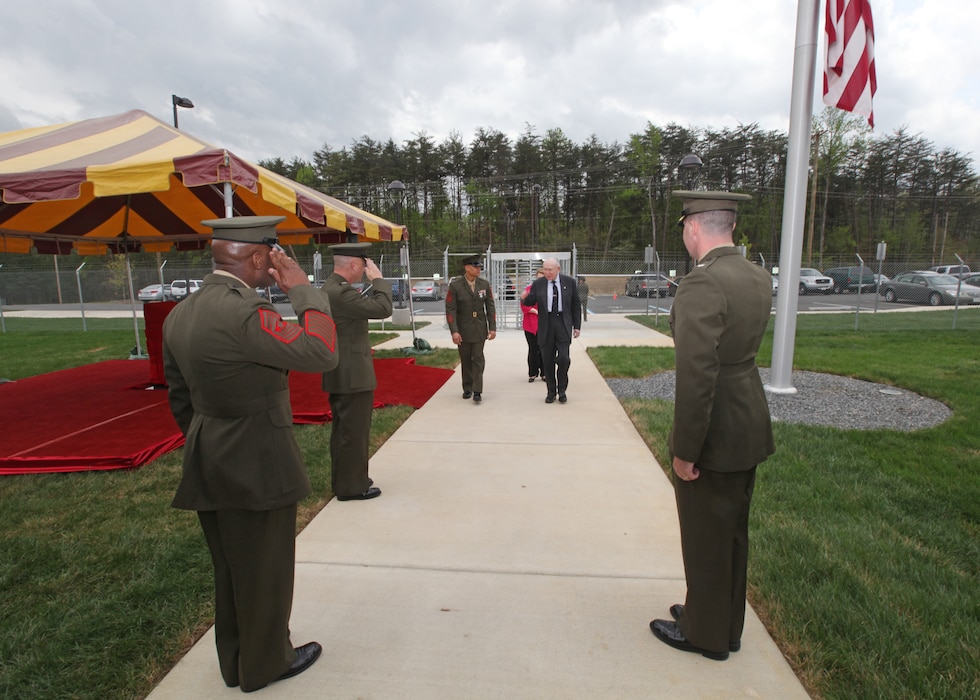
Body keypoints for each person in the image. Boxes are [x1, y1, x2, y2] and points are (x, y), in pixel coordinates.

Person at [163, 215, 338, 692]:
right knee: (266, 569)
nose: (276, 265)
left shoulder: (183, 311)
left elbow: (179, 395)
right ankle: (266, 666)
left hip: (210, 456)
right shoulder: (244, 312)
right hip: (257, 458)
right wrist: (303, 290)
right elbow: (321, 352)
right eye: (273, 257)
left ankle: (237, 659)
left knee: (232, 568)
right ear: (258, 257)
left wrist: (210, 435)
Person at [649, 191, 775, 661]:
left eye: (684, 226)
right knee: (732, 533)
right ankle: (726, 625)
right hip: (747, 419)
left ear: (694, 227)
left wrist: (686, 450)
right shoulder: (755, 275)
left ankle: (705, 635)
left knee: (705, 537)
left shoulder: (703, 284)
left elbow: (698, 375)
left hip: (716, 428)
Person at [320, 242, 393, 501]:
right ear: (353, 264)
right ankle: (351, 487)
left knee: (345, 431)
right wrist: (379, 281)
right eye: (363, 266)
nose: (365, 271)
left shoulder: (333, 288)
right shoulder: (340, 293)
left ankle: (348, 479)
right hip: (352, 374)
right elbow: (383, 308)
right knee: (353, 432)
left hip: (344, 370)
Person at [520, 257, 581, 404]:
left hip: (563, 323)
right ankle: (551, 392)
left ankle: (562, 390)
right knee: (547, 361)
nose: (547, 272)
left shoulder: (569, 282)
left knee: (564, 359)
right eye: (545, 269)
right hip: (546, 324)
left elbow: (575, 305)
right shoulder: (538, 283)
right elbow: (530, 301)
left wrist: (577, 326)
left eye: (550, 270)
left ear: (558, 269)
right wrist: (524, 298)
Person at [445, 255, 497, 402]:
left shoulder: (484, 284)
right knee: (466, 359)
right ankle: (467, 387)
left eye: (480, 267)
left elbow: (490, 307)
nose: (478, 269)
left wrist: (492, 327)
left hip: (480, 328)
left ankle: (477, 390)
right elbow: (450, 309)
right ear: (467, 268)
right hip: (463, 329)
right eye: (476, 267)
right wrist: (454, 331)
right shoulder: (455, 285)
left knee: (478, 358)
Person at [521, 269, 546, 382]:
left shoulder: (549, 290)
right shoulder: (529, 290)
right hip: (530, 325)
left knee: (545, 349)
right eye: (539, 277)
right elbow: (523, 304)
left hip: (545, 325)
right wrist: (534, 311)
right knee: (533, 349)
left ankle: (545, 373)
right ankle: (532, 373)